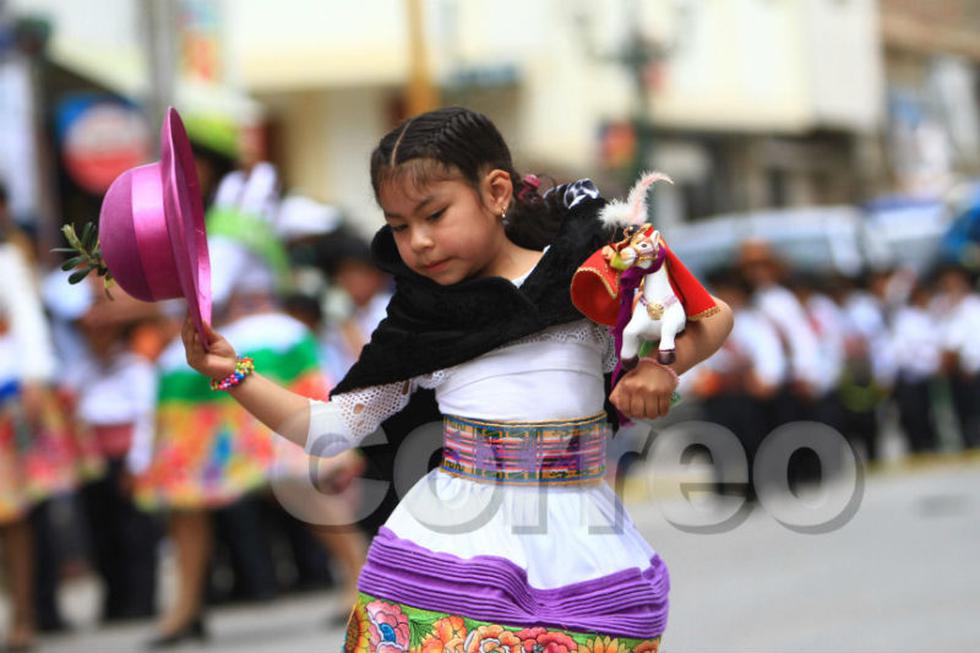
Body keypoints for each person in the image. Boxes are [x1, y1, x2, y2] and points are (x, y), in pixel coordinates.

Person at [180, 107, 732, 651]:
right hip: (454, 553)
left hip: (581, 543)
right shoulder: (419, 322)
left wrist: (661, 366)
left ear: (495, 192)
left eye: (434, 215)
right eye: (398, 227)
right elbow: (332, 431)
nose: (417, 241)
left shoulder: (589, 267)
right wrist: (235, 376)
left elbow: (711, 318)